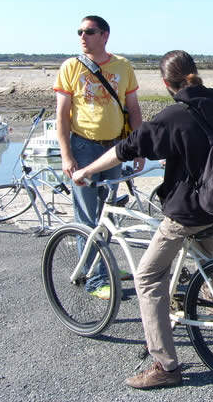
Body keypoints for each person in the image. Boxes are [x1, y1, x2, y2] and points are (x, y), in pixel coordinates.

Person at [72, 50, 213, 390]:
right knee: (207, 264)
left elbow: (127, 148)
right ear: (195, 74)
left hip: (189, 211)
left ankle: (165, 365)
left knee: (148, 277)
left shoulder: (172, 116)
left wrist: (87, 170)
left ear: (166, 83)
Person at [54, 15, 143, 299]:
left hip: (114, 149)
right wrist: (67, 156)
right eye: (80, 31)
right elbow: (62, 116)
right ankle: (94, 279)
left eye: (89, 32)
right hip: (84, 147)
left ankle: (104, 268)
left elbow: (134, 108)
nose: (82, 36)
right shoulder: (71, 66)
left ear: (104, 35)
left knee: (108, 214)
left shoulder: (123, 66)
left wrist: (138, 146)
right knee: (86, 217)